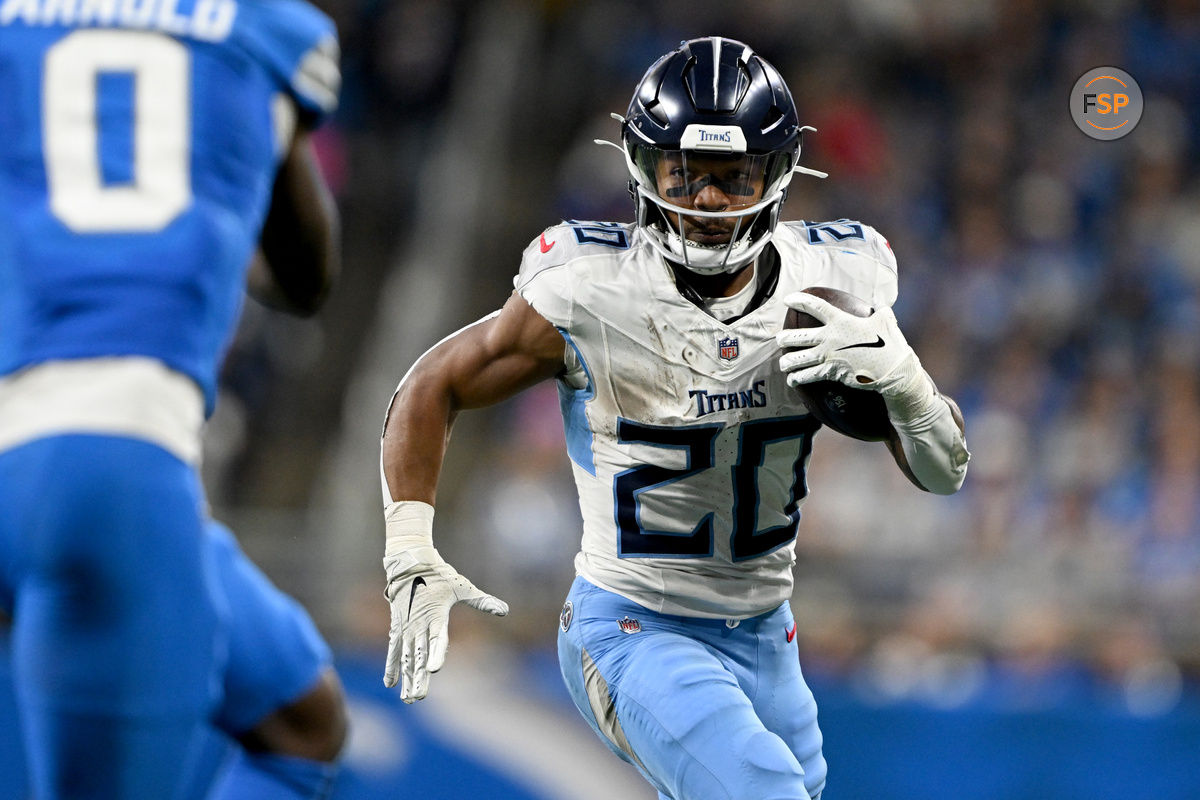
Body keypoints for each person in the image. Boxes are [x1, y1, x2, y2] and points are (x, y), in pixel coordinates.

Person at [380, 36, 969, 800]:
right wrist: (407, 547)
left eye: (734, 177)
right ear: (643, 171)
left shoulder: (837, 281)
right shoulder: (590, 288)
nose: (709, 200)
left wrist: (909, 386)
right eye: (684, 175)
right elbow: (435, 382)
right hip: (632, 625)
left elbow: (944, 471)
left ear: (779, 174)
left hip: (765, 632)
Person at [0, 4, 348, 798]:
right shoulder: (263, 27)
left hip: (33, 441)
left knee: (300, 712)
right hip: (111, 459)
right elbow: (306, 278)